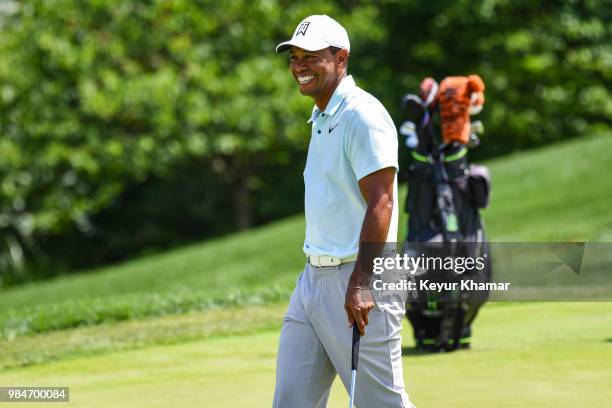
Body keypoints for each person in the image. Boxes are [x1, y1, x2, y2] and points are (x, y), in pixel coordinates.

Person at [272, 15, 415, 408]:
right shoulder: (321, 116)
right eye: (295, 56)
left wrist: (361, 282)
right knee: (291, 401)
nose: (299, 65)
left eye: (312, 56)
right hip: (313, 282)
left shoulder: (362, 115)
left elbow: (382, 200)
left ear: (341, 58)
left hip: (360, 278)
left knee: (380, 403)